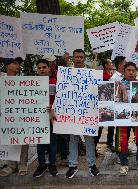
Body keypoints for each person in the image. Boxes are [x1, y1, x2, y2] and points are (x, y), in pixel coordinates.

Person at [63, 49, 99, 178]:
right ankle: (72, 166)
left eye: (80, 57)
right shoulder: (68, 71)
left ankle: (92, 165)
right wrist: (66, 61)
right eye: (76, 57)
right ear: (73, 58)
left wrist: (95, 58)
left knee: (89, 139)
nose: (78, 59)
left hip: (87, 112)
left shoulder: (89, 71)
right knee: (73, 139)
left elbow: (95, 81)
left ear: (84, 58)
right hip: (73, 112)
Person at [115, 62, 138, 176]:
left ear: (136, 71)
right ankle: (124, 164)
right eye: (128, 70)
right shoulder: (118, 85)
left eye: (133, 70)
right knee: (123, 140)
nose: (131, 72)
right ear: (124, 71)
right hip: (123, 117)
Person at [0, 57, 29, 177]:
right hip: (5, 115)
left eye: (19, 63)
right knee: (8, 139)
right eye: (15, 63)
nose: (18, 66)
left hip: (22, 115)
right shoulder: (1, 80)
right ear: (7, 65)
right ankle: (11, 165)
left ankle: (23, 164)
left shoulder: (24, 81)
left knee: (23, 140)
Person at [33, 59, 58, 177]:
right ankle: (41, 164)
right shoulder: (31, 83)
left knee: (52, 142)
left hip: (51, 117)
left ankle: (52, 164)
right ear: (36, 70)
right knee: (40, 142)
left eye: (44, 67)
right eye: (39, 68)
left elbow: (59, 99)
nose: (42, 69)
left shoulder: (54, 82)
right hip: (38, 118)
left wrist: (52, 108)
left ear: (49, 68)